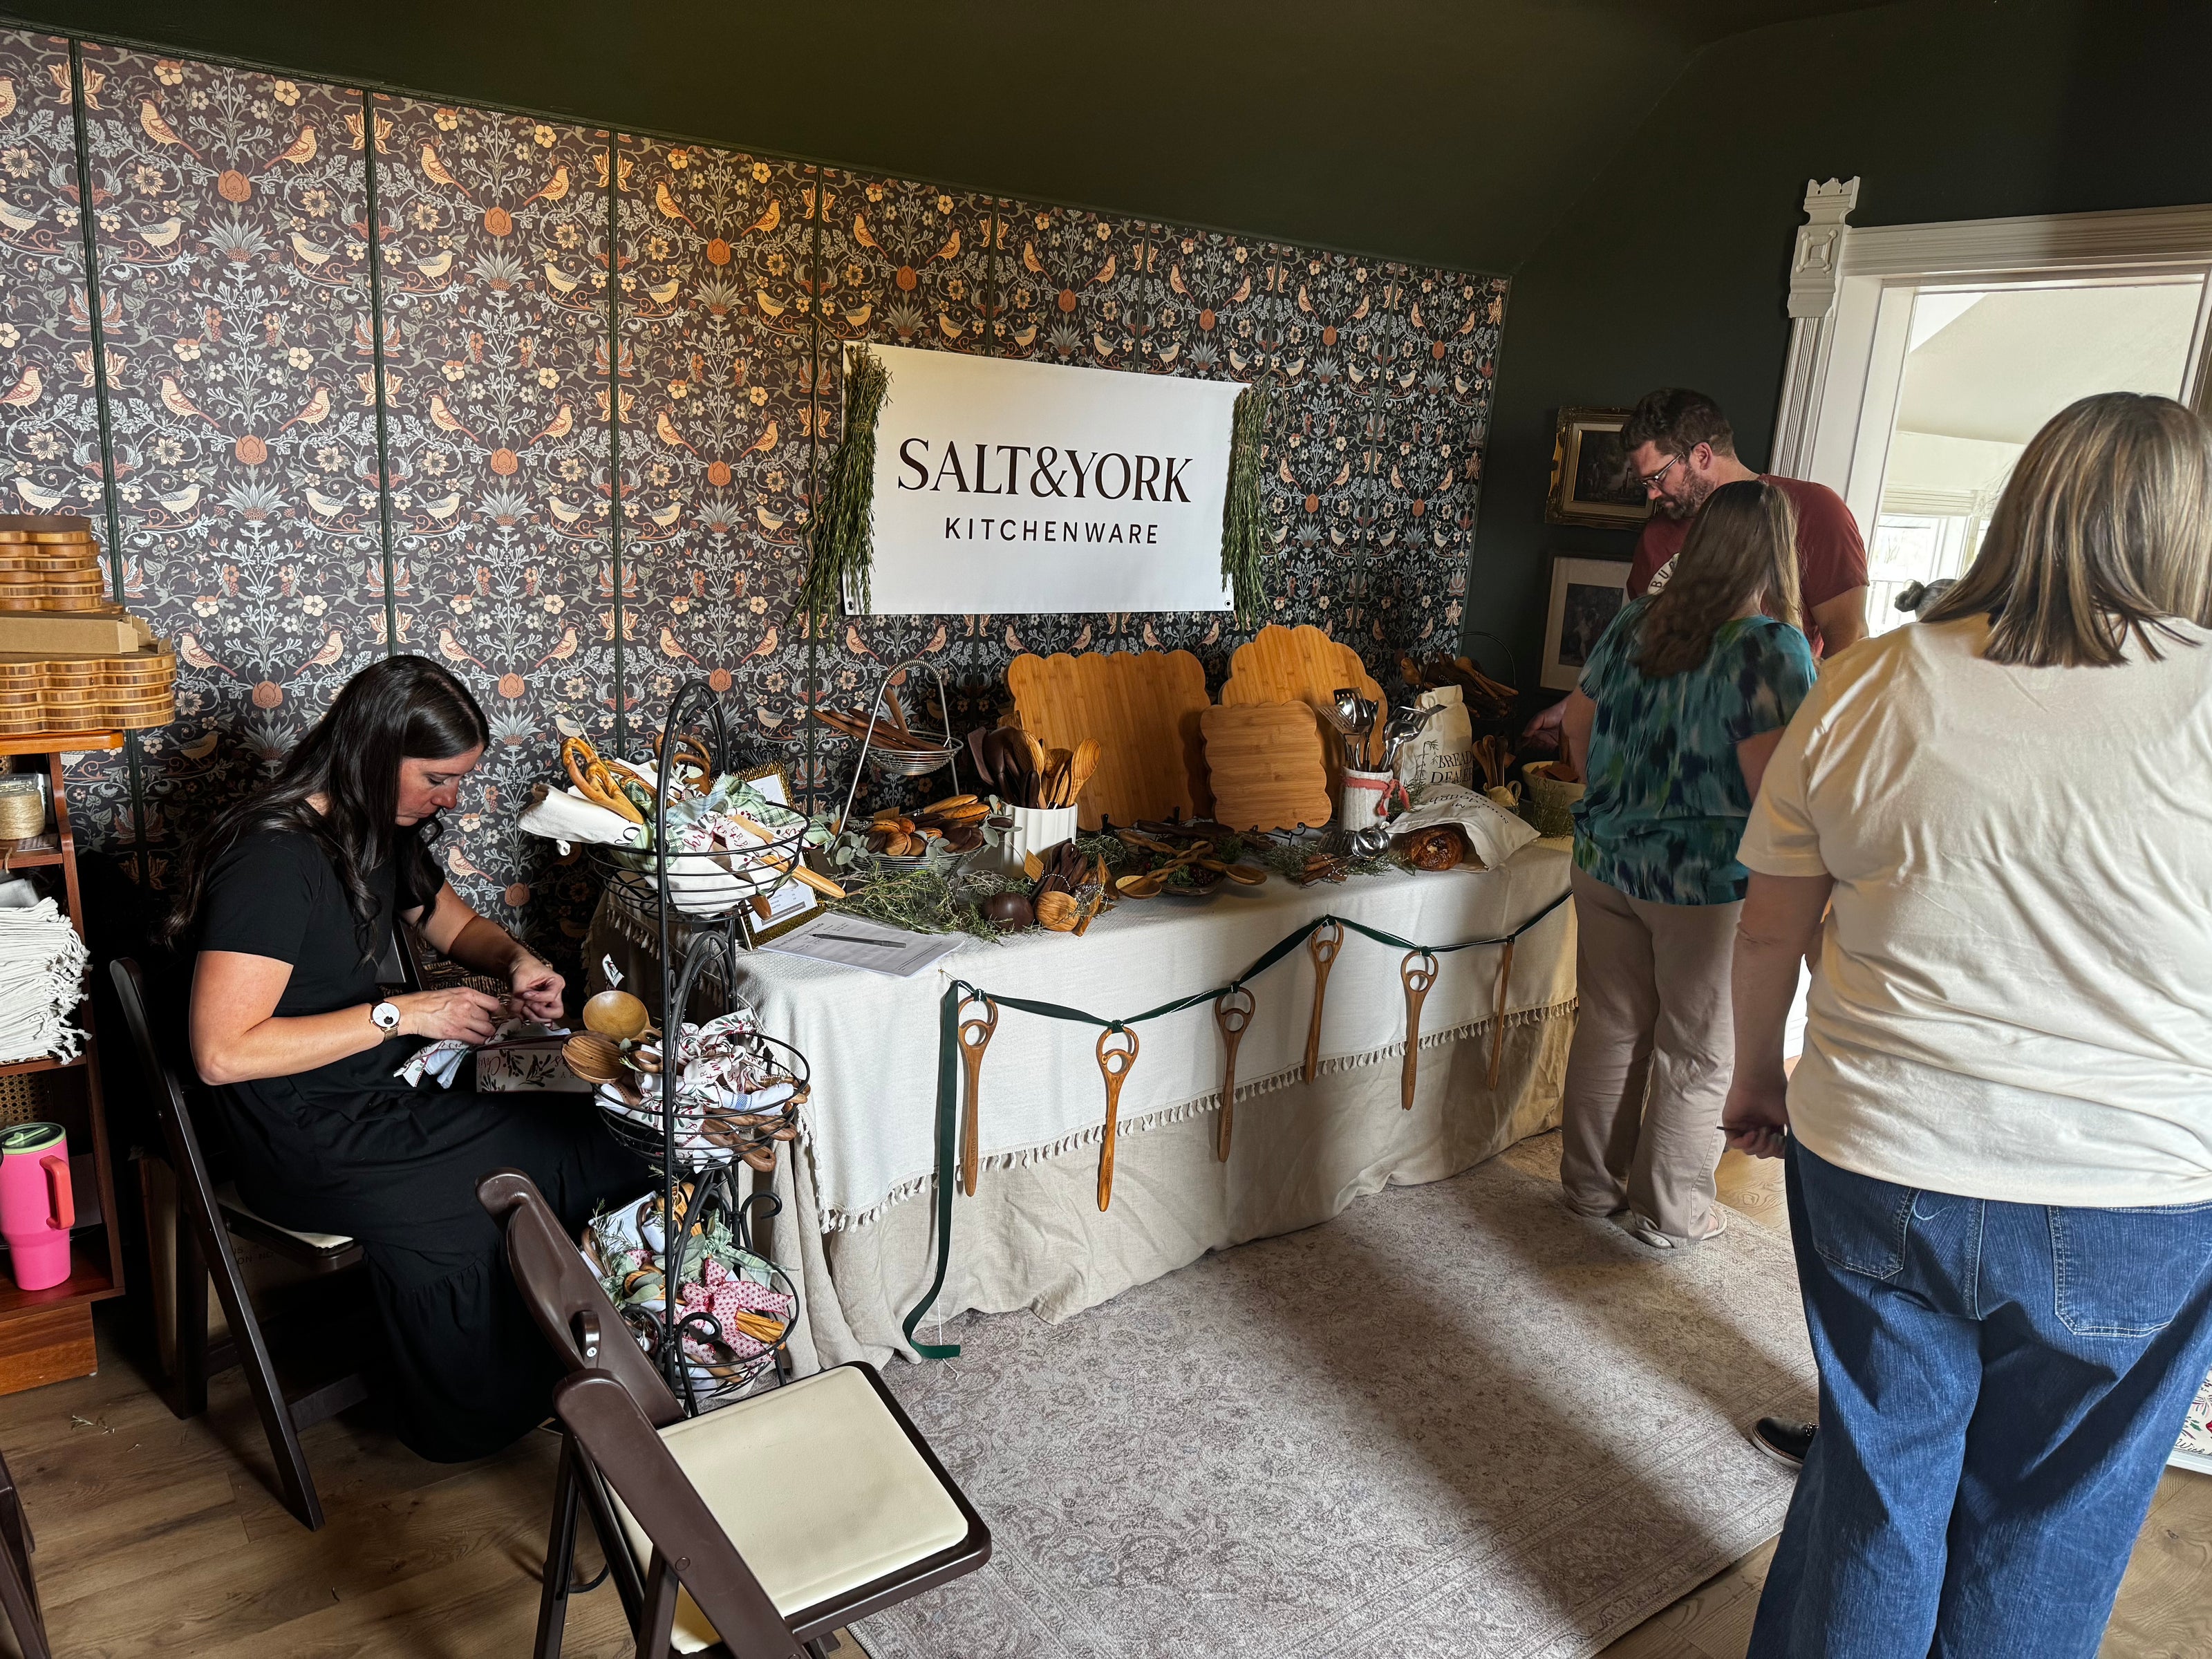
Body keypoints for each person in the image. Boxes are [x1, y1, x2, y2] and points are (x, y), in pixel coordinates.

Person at [1723, 391, 2212, 1657]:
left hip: (1883, 1152)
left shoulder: (1868, 682)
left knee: (1876, 1487)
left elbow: (1768, 933)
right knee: (2054, 1519)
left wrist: (1755, 1077)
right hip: (2140, 1184)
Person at [168, 656, 647, 1462]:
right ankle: (484, 1410)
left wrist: (518, 962)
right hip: (300, 1131)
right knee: (521, 1162)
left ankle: (583, 1356)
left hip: (371, 1090)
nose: (450, 799)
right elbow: (221, 1054)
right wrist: (405, 1015)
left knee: (591, 1122)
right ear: (373, 752)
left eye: (458, 779)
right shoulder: (273, 860)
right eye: (437, 778)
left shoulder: (371, 829)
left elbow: (450, 923)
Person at [1553, 480, 1817, 1248]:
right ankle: (1671, 1213)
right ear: (1774, 554)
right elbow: (1775, 794)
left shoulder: (1634, 621)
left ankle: (1588, 1190)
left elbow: (1576, 724)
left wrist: (1613, 798)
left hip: (1604, 860)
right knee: (1696, 1051)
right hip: (1702, 886)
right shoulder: (1769, 648)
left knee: (1609, 1028)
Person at [1525, 388, 1866, 760]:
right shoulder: (1656, 537)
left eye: (1658, 477)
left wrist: (1812, 745)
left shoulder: (1812, 509)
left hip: (1767, 746)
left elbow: (1848, 637)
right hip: (1666, 753)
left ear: (1702, 455)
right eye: (1645, 483)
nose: (1652, 495)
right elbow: (1635, 650)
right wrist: (1574, 709)